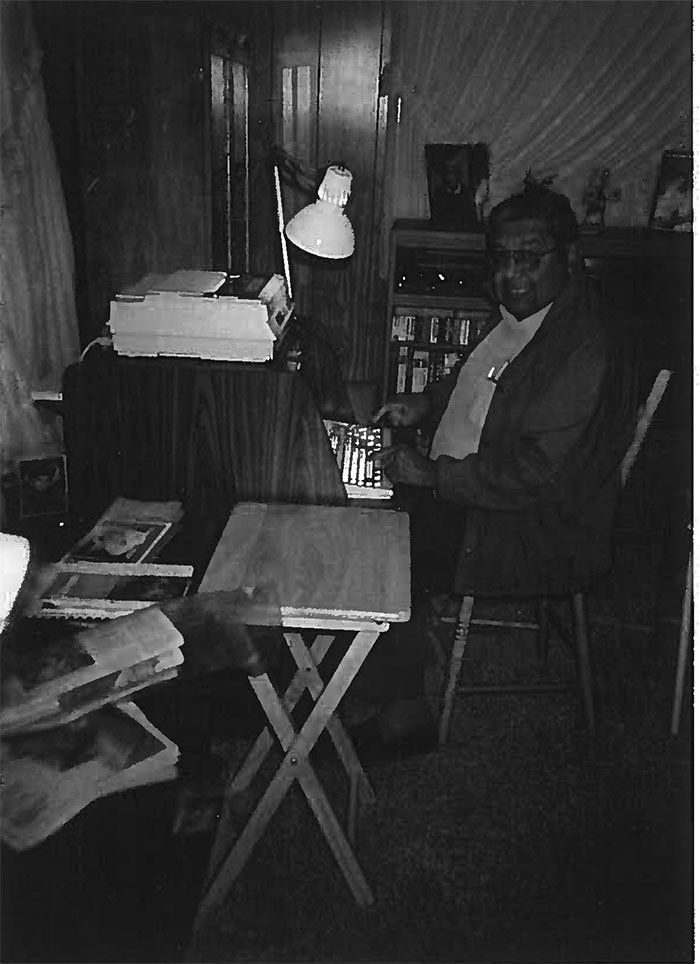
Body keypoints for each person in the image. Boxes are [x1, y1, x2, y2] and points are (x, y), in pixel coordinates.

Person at [350, 182, 634, 756]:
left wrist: (431, 476)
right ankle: (397, 648)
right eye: (501, 260)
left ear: (571, 258)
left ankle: (404, 711)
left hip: (528, 527)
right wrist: (426, 404)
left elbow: (536, 475)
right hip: (474, 487)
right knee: (371, 498)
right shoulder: (527, 318)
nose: (512, 275)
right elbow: (475, 374)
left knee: (382, 539)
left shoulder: (583, 348)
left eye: (529, 258)